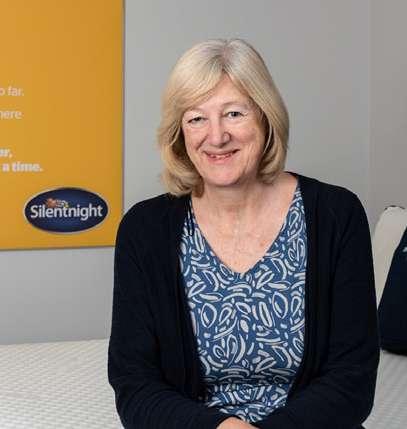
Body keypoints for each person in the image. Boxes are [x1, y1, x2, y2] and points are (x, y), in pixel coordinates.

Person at [108, 39, 380, 429]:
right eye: (196, 118)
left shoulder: (337, 215)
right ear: (179, 132)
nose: (217, 136)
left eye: (234, 113)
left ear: (266, 117)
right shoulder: (144, 230)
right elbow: (135, 384)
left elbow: (352, 379)